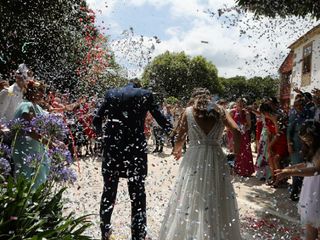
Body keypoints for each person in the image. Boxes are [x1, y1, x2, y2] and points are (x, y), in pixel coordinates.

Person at [93, 79, 172, 240]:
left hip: (112, 149)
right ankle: (138, 235)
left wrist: (102, 137)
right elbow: (160, 118)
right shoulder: (145, 94)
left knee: (108, 191)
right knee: (137, 194)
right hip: (135, 150)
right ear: (139, 86)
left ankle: (105, 232)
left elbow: (96, 119)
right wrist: (174, 133)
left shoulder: (111, 93)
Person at [159, 88, 241, 240]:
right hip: (216, 158)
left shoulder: (188, 111)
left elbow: (181, 136)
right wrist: (234, 156)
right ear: (210, 98)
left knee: (191, 194)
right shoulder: (221, 111)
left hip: (194, 157)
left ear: (194, 98)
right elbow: (236, 131)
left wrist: (177, 150)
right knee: (217, 194)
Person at [276, 121, 320, 240]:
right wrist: (291, 167)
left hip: (317, 188)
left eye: (308, 139)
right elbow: (307, 164)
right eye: (304, 140)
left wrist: (291, 172)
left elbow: (316, 170)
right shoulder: (312, 148)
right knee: (311, 224)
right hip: (311, 186)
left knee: (314, 221)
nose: (306, 142)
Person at [230, 98, 254, 177]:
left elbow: (249, 126)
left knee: (245, 151)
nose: (241, 105)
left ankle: (245, 170)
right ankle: (236, 169)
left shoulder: (246, 113)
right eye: (239, 103)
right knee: (235, 151)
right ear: (236, 103)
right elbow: (228, 124)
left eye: (243, 103)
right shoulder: (232, 112)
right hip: (234, 134)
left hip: (244, 135)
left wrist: (244, 129)